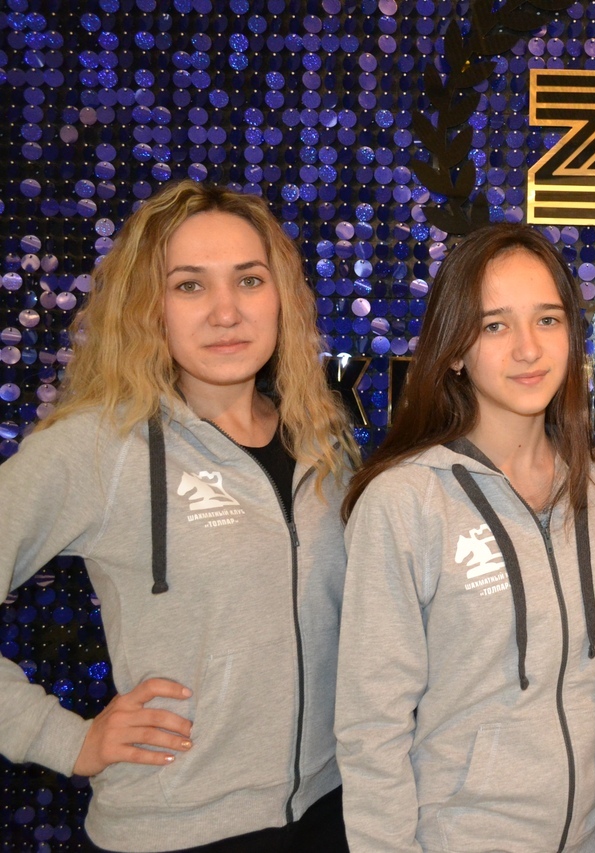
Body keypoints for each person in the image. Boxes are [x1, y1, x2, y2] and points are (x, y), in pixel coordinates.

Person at [0, 180, 357, 851]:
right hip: (177, 828)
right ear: (148, 307)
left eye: (249, 280)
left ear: (281, 296)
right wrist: (59, 737)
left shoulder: (323, 441)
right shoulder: (101, 446)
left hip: (332, 810)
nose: (226, 311)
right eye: (190, 285)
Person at [334, 222, 595, 853]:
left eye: (548, 320)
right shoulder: (407, 500)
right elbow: (372, 728)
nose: (528, 349)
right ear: (454, 350)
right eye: (495, 325)